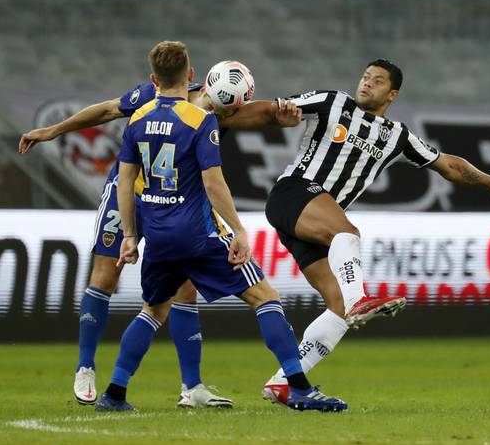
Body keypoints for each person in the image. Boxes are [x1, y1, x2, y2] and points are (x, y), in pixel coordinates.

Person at [18, 68, 302, 408]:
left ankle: (191, 387)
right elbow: (107, 110)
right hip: (128, 192)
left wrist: (281, 115)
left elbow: (260, 111)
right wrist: (54, 130)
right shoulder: (156, 98)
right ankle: (85, 365)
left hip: (170, 202)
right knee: (106, 276)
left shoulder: (220, 112)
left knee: (183, 289)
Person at [260, 59, 490, 404]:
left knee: (337, 306)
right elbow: (273, 109)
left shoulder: (398, 137)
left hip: (313, 222)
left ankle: (286, 382)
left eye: (376, 81)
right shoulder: (333, 103)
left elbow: (451, 165)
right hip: (294, 193)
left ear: (392, 94)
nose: (366, 83)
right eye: (364, 77)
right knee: (347, 234)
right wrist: (221, 112)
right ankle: (361, 298)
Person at [94, 40, 346, 412]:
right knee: (265, 298)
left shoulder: (138, 118)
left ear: (153, 79)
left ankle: (114, 393)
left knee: (153, 310)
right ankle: (300, 388)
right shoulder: (201, 120)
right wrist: (239, 231)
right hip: (197, 234)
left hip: (159, 236)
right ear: (193, 76)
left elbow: (126, 184)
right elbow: (214, 183)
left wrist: (131, 237)